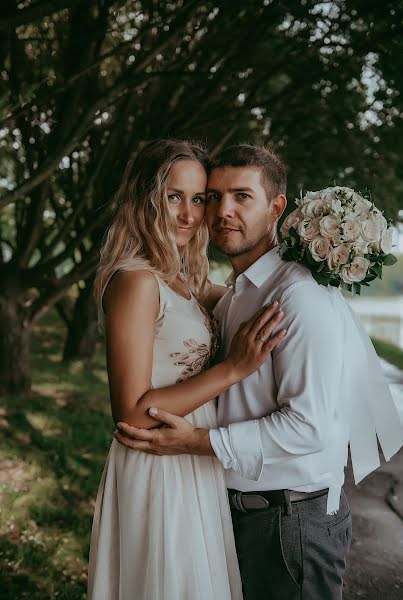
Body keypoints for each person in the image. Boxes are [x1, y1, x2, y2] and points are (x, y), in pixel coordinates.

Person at [114, 144, 403, 600]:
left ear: (276, 208)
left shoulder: (297, 298)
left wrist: (198, 442)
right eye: (213, 196)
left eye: (242, 196)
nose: (221, 211)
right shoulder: (237, 294)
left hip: (291, 525)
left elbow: (311, 427)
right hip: (232, 513)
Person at [87, 139, 286, 600]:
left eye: (199, 199)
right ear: (146, 198)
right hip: (157, 464)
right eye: (173, 196)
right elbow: (132, 416)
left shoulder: (186, 280)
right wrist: (232, 369)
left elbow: (249, 292)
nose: (189, 214)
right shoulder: (135, 280)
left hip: (192, 462)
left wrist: (313, 260)